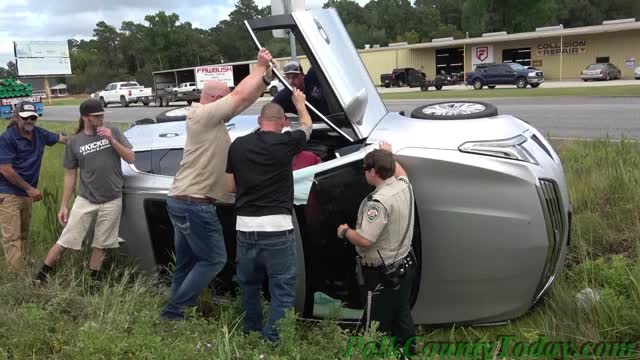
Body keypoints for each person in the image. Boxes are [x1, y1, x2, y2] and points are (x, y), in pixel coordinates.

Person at [160, 48, 277, 321]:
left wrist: (266, 79)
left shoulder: (211, 121)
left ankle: (174, 312)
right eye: (223, 100)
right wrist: (259, 67)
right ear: (213, 99)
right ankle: (173, 311)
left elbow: (240, 100)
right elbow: (238, 98)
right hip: (194, 203)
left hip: (183, 200)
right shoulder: (202, 115)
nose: (230, 107)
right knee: (214, 260)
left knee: (187, 263)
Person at [225, 88, 312, 343]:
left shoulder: (238, 145)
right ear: (283, 123)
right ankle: (273, 341)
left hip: (245, 228)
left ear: (258, 121)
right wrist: (300, 103)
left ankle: (251, 333)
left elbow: (230, 187)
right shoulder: (286, 142)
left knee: (249, 286)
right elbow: (306, 126)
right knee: (282, 289)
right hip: (276, 228)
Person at [34, 99, 134, 284]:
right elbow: (70, 175)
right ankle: (41, 276)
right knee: (66, 239)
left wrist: (111, 139)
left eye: (102, 114)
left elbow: (130, 157)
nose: (101, 118)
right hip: (86, 199)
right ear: (85, 118)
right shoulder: (75, 142)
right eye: (97, 116)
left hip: (112, 199)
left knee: (101, 245)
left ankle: (92, 282)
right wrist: (64, 205)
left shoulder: (114, 132)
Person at [336, 142, 417, 357]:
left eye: (365, 169)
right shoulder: (403, 186)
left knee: (375, 323)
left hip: (383, 274)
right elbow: (402, 173)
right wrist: (389, 155)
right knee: (401, 313)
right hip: (404, 265)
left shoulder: (378, 202)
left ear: (373, 172)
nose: (364, 173)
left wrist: (344, 231)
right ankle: (408, 351)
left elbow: (365, 240)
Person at [0, 101, 66, 272]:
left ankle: (21, 266)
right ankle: (18, 277)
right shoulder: (7, 138)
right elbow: (6, 170)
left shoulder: (39, 133)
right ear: (16, 118)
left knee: (23, 234)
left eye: (32, 117)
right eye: (25, 117)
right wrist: (29, 189)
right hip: (7, 193)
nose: (29, 120)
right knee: (12, 237)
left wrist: (86, 139)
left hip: (27, 193)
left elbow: (63, 139)